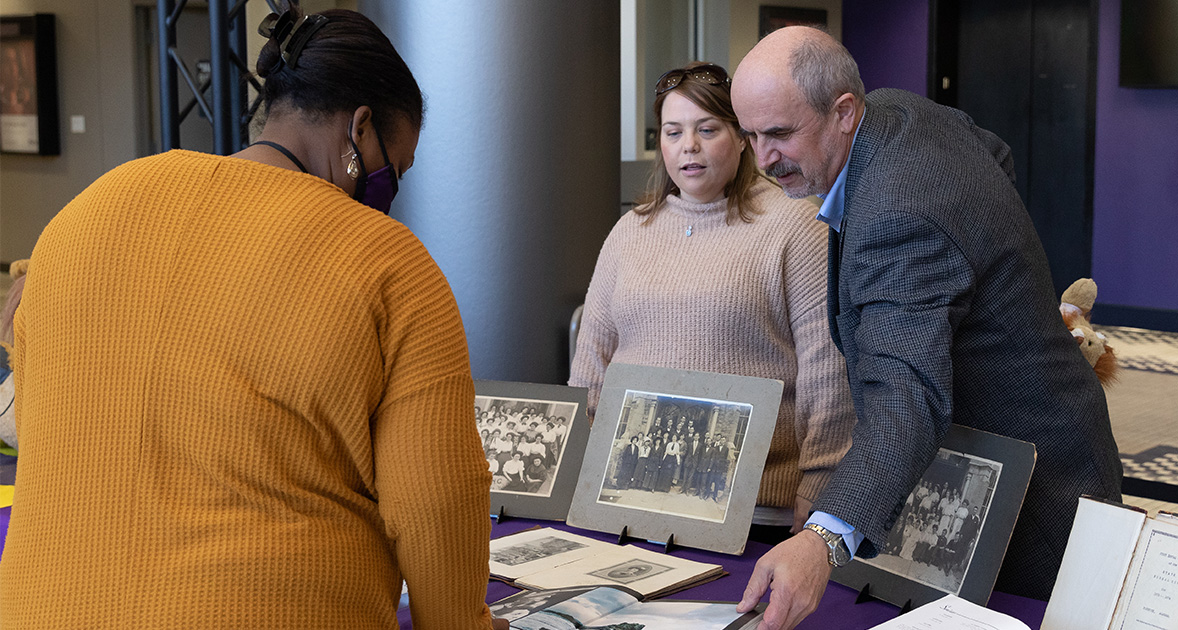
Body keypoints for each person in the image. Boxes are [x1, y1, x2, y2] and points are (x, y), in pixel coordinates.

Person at [0, 3, 502, 629]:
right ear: (360, 128)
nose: (387, 191)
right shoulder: (388, 264)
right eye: (392, 170)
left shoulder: (88, 210)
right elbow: (436, 502)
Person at [730, 26, 1122, 629]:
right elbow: (992, 151)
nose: (762, 159)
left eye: (780, 134)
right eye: (750, 135)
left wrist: (822, 542)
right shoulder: (897, 111)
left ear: (842, 112)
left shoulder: (900, 212)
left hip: (1038, 489)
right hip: (994, 453)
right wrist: (990, 277)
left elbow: (905, 398)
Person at [569, 61, 855, 532]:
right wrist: (576, 467)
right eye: (673, 131)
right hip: (629, 495)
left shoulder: (794, 226)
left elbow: (827, 370)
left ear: (742, 137)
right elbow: (591, 364)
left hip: (755, 508)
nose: (689, 147)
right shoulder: (630, 229)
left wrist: (821, 481)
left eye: (707, 129)